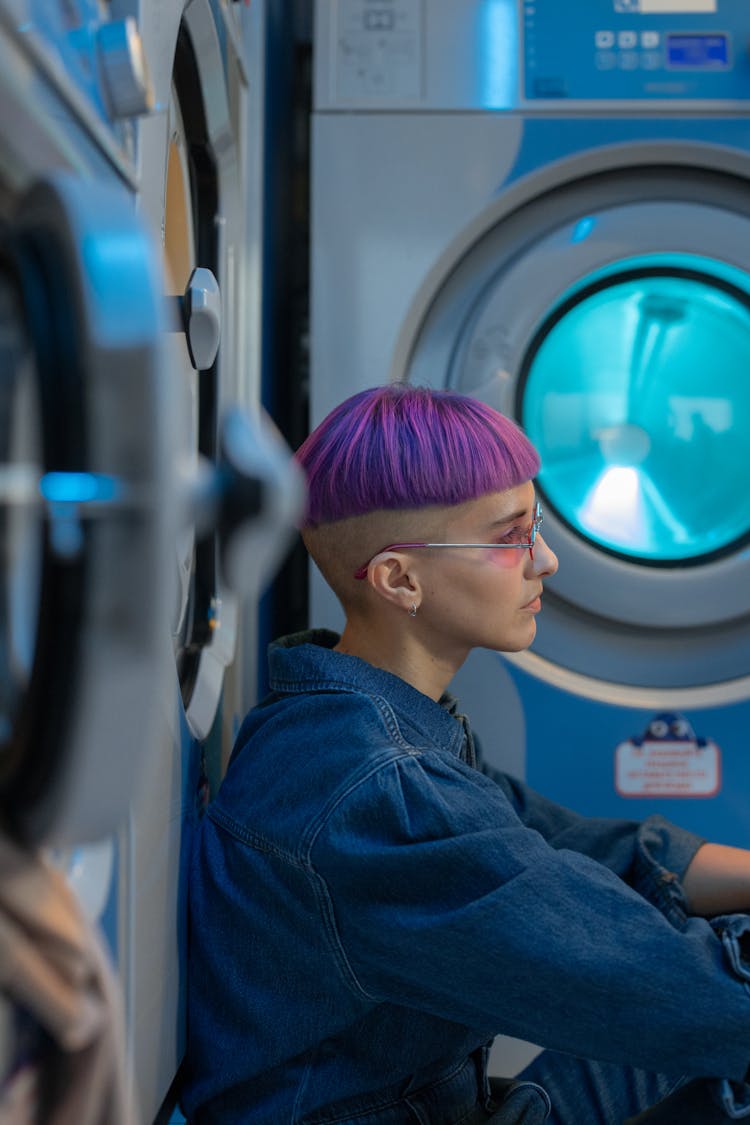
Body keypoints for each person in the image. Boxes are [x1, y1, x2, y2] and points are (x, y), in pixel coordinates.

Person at [181, 384, 750, 1125]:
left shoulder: (361, 725)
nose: (543, 559)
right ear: (399, 579)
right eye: (510, 535)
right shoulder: (379, 789)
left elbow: (570, 850)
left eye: (536, 524)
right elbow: (680, 996)